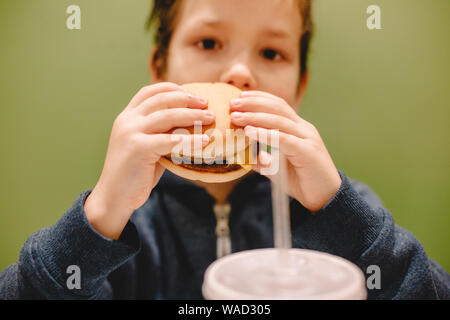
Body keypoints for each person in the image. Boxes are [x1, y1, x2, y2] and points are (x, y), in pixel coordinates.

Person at [0, 0, 449, 300]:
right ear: (160, 70)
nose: (239, 72)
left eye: (272, 53)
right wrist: (99, 217)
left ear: (298, 88)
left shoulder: (342, 214)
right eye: (209, 43)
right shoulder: (117, 227)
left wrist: (337, 212)